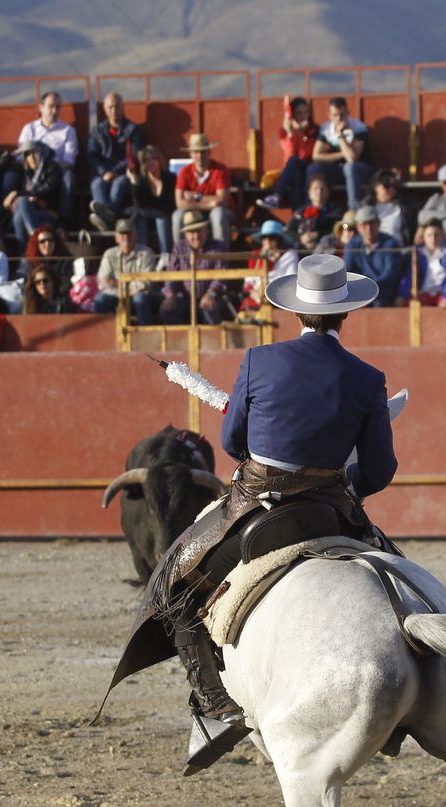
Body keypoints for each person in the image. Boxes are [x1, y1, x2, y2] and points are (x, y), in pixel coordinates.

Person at [108, 253, 396, 775]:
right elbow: (378, 470)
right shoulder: (367, 377)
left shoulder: (260, 361)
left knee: (173, 584)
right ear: (346, 315)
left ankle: (215, 707)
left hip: (257, 503)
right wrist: (339, 482)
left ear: (296, 312)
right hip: (333, 507)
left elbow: (231, 440)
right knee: (399, 579)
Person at [18, 91, 80, 221]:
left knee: (69, 176)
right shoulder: (29, 129)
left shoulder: (68, 131)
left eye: (58, 107)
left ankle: (65, 216)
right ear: (41, 107)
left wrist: (51, 171)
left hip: (56, 172)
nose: (54, 110)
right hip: (32, 172)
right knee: (13, 175)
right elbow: (19, 157)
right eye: (51, 106)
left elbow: (69, 161)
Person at [160, 211, 231, 325]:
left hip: (213, 296)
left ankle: (212, 342)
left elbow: (221, 276)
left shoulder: (218, 247)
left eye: (199, 230)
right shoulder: (179, 248)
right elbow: (171, 274)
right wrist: (170, 294)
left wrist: (210, 293)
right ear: (186, 234)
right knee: (167, 309)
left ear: (206, 230)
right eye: (191, 232)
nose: (196, 236)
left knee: (209, 308)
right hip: (186, 298)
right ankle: (180, 341)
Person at [86, 92, 143, 229]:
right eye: (110, 107)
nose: (114, 111)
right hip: (103, 174)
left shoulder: (133, 130)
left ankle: (105, 218)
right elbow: (91, 155)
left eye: (117, 107)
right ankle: (107, 216)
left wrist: (115, 172)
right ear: (105, 109)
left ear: (123, 108)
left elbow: (134, 156)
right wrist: (104, 171)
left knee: (119, 184)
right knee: (96, 184)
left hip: (124, 174)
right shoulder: (98, 131)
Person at [307, 97, 375, 208]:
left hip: (361, 170)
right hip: (337, 169)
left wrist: (341, 135)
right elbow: (316, 156)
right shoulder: (326, 129)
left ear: (348, 113)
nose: (339, 118)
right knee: (313, 169)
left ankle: (353, 209)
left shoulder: (358, 128)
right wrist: (344, 153)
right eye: (335, 115)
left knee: (350, 167)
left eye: (342, 114)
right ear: (329, 115)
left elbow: (352, 158)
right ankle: (312, 208)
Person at [172, 133, 232, 250]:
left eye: (203, 152)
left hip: (222, 212)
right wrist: (210, 202)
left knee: (218, 214)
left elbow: (222, 200)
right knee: (177, 215)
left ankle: (221, 256)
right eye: (195, 152)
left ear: (209, 152)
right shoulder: (184, 172)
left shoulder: (220, 170)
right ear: (190, 154)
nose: (199, 156)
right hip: (195, 213)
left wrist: (196, 196)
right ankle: (180, 255)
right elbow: (179, 203)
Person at [95, 218, 158, 324]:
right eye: (122, 233)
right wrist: (127, 290)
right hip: (118, 296)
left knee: (140, 299)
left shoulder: (146, 253)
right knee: (100, 299)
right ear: (116, 237)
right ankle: (104, 336)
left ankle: (146, 335)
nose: (126, 237)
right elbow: (103, 284)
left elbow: (146, 283)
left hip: (139, 296)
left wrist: (116, 283)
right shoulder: (109, 254)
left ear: (136, 235)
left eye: (129, 233)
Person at [259, 96, 317, 210]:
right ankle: (298, 214)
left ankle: (277, 195)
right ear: (293, 116)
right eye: (299, 113)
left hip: (310, 167)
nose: (304, 117)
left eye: (306, 112)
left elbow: (310, 155)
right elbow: (290, 155)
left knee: (295, 164)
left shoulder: (315, 130)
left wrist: (304, 133)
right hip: (293, 169)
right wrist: (292, 135)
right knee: (295, 174)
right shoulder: (284, 132)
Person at [342, 205, 403, 307]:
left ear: (378, 224)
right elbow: (348, 271)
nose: (368, 228)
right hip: (360, 292)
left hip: (383, 293)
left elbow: (390, 274)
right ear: (358, 227)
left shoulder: (391, 243)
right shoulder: (352, 244)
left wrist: (371, 287)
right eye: (364, 224)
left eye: (372, 223)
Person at [398, 217, 446, 306]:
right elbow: (410, 276)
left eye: (436, 235)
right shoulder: (418, 253)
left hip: (443, 293)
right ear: (424, 237)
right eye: (429, 235)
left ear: (443, 235)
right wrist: (401, 294)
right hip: (423, 294)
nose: (433, 238)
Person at [8, 140, 63, 248]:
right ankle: (29, 249)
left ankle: (32, 243)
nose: (32, 158)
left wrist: (17, 193)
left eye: (35, 153)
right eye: (28, 154)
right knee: (18, 216)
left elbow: (47, 190)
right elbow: (0, 164)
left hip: (48, 212)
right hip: (28, 212)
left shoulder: (52, 168)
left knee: (22, 202)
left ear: (42, 154)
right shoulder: (24, 172)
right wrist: (14, 154)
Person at [240, 218, 300, 314]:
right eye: (264, 237)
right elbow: (248, 283)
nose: (267, 241)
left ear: (279, 240)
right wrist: (254, 294)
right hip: (256, 299)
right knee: (243, 316)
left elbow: (291, 283)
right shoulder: (255, 255)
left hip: (280, 301)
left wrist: (272, 262)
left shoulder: (289, 255)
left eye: (272, 237)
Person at [128, 144, 175, 255]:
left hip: (166, 219)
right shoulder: (142, 181)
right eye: (146, 160)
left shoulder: (170, 178)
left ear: (159, 160)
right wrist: (134, 183)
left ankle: (165, 257)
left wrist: (155, 213)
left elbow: (170, 205)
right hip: (147, 220)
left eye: (153, 159)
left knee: (161, 220)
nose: (150, 162)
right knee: (140, 220)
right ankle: (143, 257)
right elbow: (139, 206)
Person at [367, 169, 410, 244]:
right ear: (376, 187)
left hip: (399, 250)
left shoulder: (404, 205)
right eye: (386, 185)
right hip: (374, 250)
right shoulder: (366, 207)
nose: (391, 189)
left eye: (394, 186)